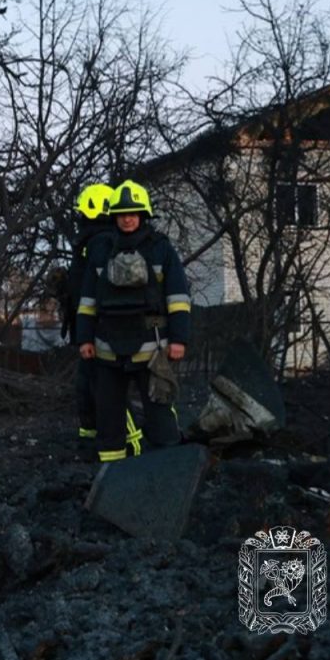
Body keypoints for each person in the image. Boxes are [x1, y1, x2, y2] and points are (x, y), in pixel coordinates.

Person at [76, 179, 190, 462]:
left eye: (133, 213)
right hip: (107, 348)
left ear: (143, 215)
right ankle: (112, 470)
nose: (127, 219)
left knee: (159, 407)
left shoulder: (161, 249)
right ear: (114, 216)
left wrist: (179, 339)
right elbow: (88, 300)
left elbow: (178, 297)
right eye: (122, 214)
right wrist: (84, 338)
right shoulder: (100, 249)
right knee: (109, 413)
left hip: (151, 348)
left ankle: (169, 465)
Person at [64, 184, 144, 453]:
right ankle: (91, 438)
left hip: (102, 332)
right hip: (88, 330)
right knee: (88, 387)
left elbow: (97, 291)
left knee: (107, 391)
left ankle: (134, 443)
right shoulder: (91, 244)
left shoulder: (102, 244)